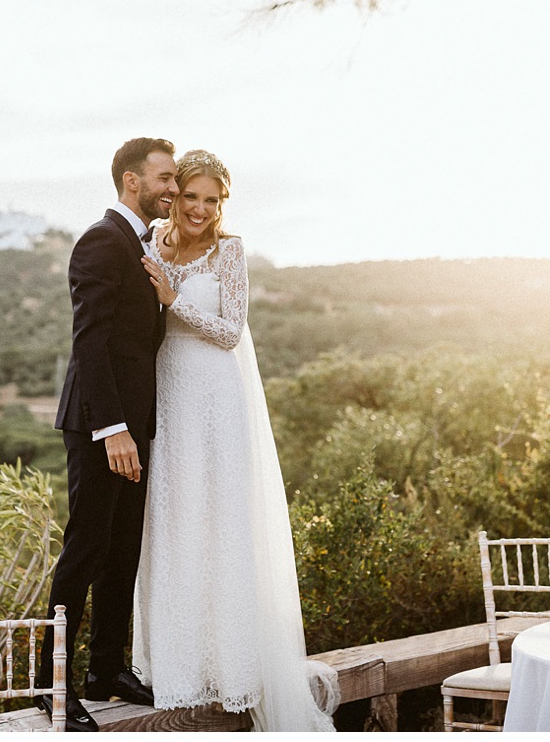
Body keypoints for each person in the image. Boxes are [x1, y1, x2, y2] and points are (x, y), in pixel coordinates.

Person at [132, 150, 339, 732]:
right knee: (174, 520)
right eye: (191, 196)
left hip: (217, 399)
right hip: (168, 398)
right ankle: (174, 666)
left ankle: (234, 667)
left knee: (223, 523)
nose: (199, 209)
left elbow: (231, 331)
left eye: (211, 200)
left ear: (223, 203)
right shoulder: (150, 242)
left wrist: (174, 301)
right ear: (175, 196)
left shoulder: (230, 251)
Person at [33, 137, 179, 732]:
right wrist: (113, 430)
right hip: (103, 426)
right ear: (130, 182)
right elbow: (89, 341)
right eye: (165, 179)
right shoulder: (102, 241)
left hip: (134, 427)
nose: (171, 189)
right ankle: (52, 684)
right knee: (86, 550)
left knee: (123, 552)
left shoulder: (141, 245)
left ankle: (106, 670)